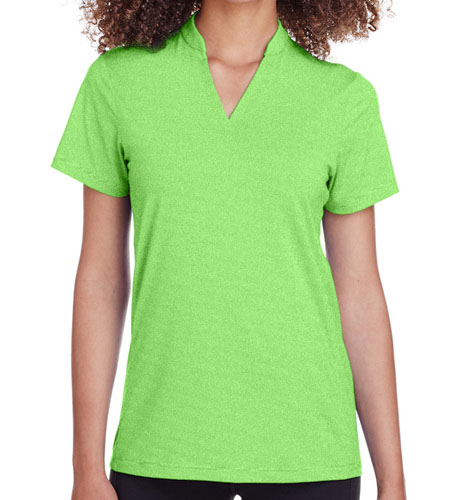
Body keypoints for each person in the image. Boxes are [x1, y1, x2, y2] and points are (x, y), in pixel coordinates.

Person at [51, 1, 407, 499]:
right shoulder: (118, 84)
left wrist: (393, 481)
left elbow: (360, 292)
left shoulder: (343, 99)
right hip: (162, 444)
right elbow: (100, 279)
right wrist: (85, 468)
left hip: (310, 450)